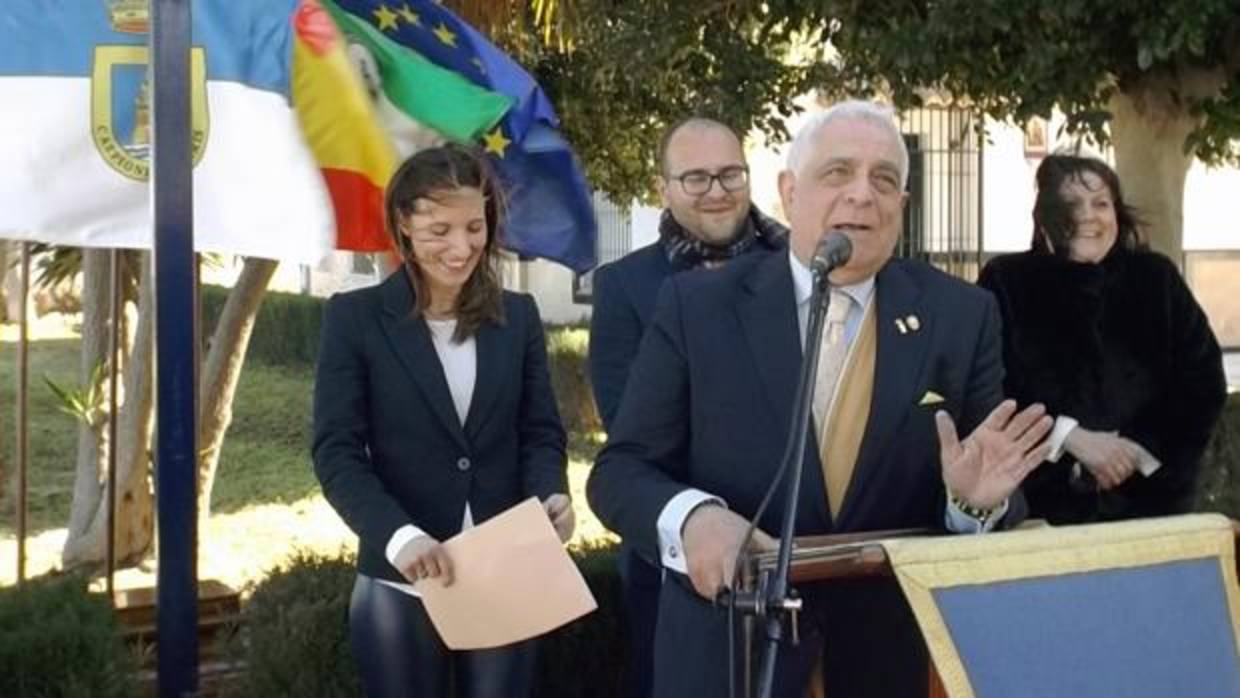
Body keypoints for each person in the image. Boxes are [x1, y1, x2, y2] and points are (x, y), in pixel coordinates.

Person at [586, 100, 1054, 698]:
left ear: (901, 208)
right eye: (838, 172)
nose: (862, 194)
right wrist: (692, 518)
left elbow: (993, 485)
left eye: (884, 179)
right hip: (731, 648)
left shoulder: (960, 317)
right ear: (789, 191)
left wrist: (974, 505)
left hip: (887, 656)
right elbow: (621, 473)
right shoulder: (695, 308)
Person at [312, 144, 574, 698]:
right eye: (439, 230)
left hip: (504, 570)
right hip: (401, 582)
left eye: (474, 227)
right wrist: (399, 537)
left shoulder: (519, 316)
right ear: (403, 224)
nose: (461, 247)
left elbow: (541, 432)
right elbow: (336, 451)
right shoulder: (354, 320)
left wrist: (551, 493)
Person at [587, 116, 786, 698]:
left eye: (730, 173)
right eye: (695, 178)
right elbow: (627, 426)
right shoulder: (625, 285)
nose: (717, 190)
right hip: (675, 557)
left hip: (796, 540)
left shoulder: (803, 269)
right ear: (662, 189)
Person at [978, 153, 1226, 524]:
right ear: (1045, 214)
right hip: (1039, 509)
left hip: (1150, 505)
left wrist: (1133, 452)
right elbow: (990, 386)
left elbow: (1202, 381)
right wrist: (1070, 439)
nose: (1088, 216)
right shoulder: (1007, 282)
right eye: (1071, 204)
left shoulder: (1156, 279)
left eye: (1101, 203)